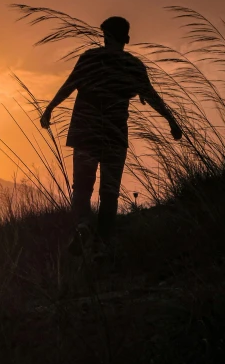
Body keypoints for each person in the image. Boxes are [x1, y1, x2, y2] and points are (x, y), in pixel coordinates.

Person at [40, 16, 182, 250]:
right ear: (126, 39)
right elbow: (153, 97)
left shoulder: (89, 59)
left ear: (104, 36)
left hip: (85, 133)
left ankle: (84, 226)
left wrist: (49, 109)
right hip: (114, 136)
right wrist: (172, 122)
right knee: (109, 191)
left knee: (82, 188)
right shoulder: (133, 66)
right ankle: (104, 243)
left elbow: (68, 85)